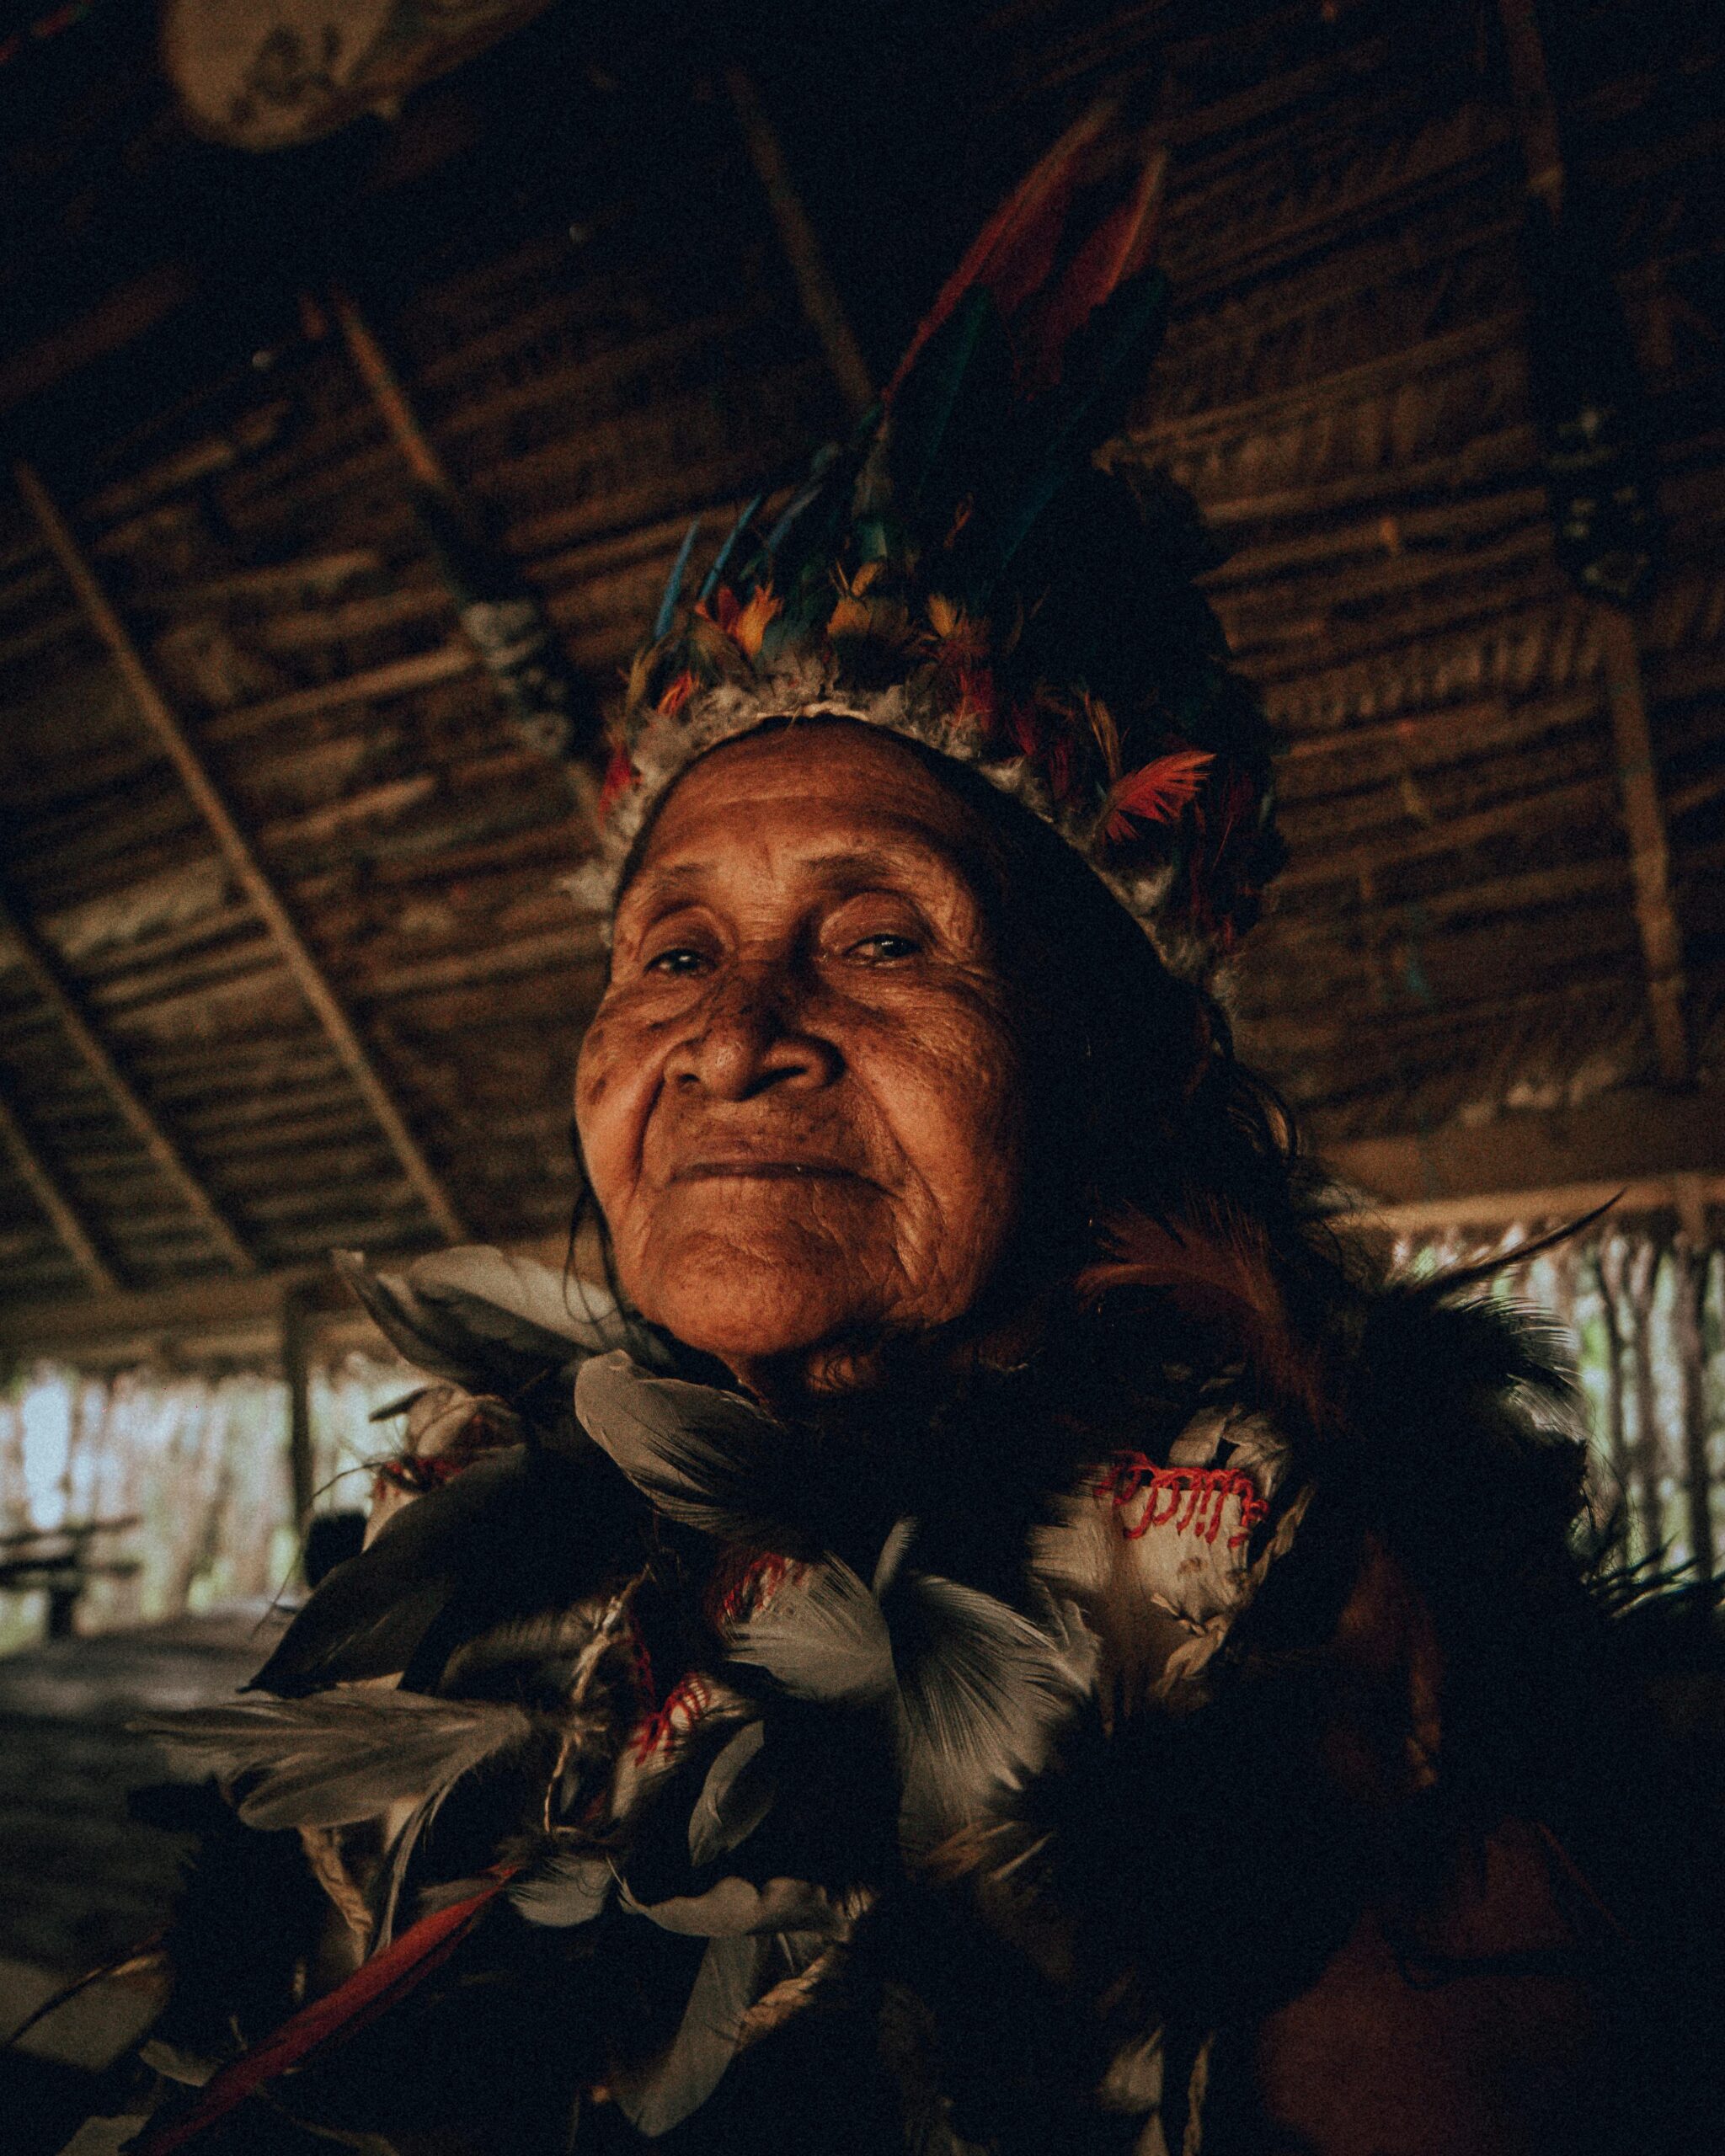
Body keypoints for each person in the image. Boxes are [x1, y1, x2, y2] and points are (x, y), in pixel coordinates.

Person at [126, 113, 1723, 2156]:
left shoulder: (1302, 1604)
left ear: (1096, 1064)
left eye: (878, 935)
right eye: (670, 949)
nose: (735, 1038)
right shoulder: (483, 1516)